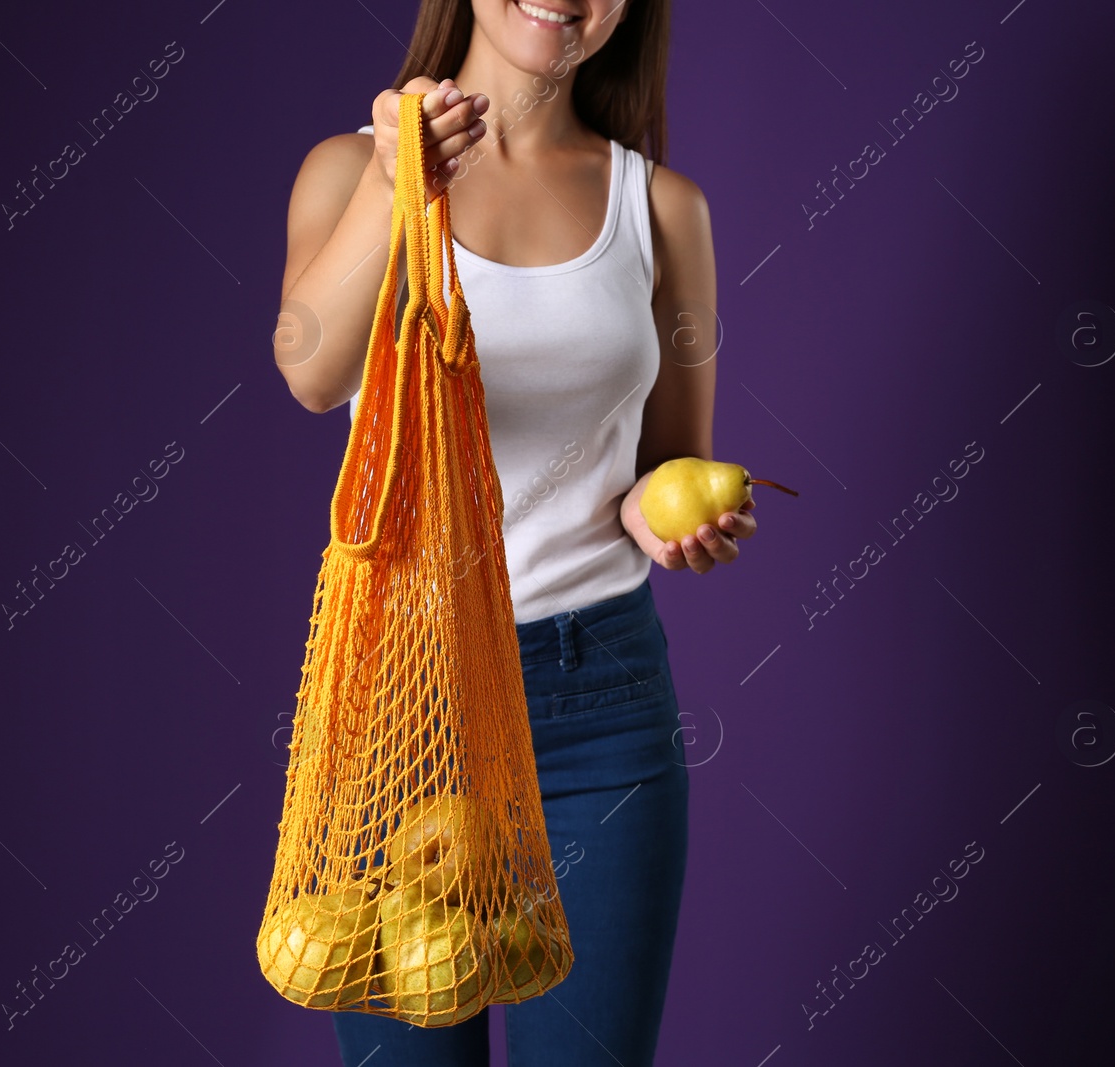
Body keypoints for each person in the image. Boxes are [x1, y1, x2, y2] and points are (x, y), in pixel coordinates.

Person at [272, 1, 756, 1062]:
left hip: (601, 708)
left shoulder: (662, 208)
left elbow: (663, 461)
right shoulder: (347, 169)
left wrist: (670, 514)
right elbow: (310, 370)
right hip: (408, 704)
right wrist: (397, 184)